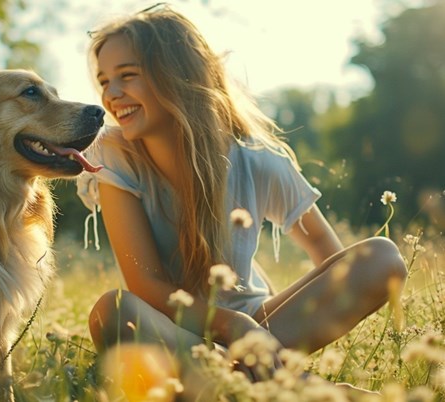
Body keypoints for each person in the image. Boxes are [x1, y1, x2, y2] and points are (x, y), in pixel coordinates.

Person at [76, 2, 408, 385]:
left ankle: (238, 379)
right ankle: (291, 387)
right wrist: (232, 326)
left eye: (127, 76)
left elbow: (321, 242)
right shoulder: (116, 154)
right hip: (172, 330)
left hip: (265, 327)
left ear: (177, 75)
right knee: (113, 311)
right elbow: (145, 285)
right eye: (104, 81)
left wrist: (306, 319)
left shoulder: (256, 159)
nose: (111, 95)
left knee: (382, 257)